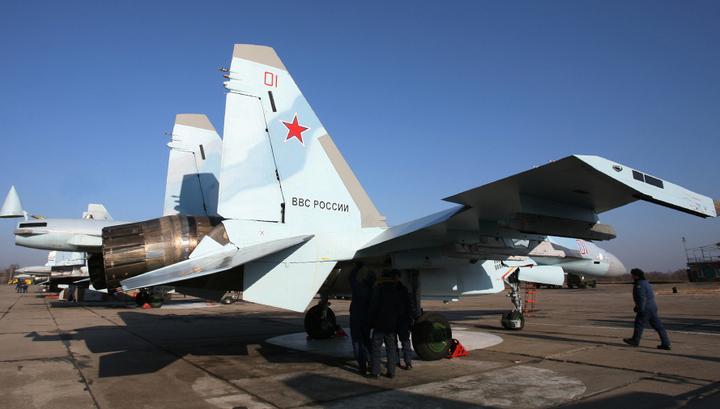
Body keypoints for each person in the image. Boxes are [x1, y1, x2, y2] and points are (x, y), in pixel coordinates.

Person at [623, 268, 671, 350]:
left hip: (646, 308)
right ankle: (666, 343)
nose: (632, 276)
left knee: (639, 324)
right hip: (652, 307)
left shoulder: (639, 285)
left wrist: (641, 309)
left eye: (633, 275)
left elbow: (642, 298)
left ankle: (635, 340)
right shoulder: (646, 283)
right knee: (659, 326)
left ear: (636, 276)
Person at [367, 269, 400, 379]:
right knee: (391, 347)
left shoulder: (379, 288)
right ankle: (391, 372)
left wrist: (370, 321)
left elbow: (374, 305)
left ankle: (375, 372)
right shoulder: (395, 289)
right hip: (392, 322)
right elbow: (399, 307)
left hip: (380, 322)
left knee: (376, 347)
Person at [348, 263, 375, 375]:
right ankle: (371, 361)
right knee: (367, 341)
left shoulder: (357, 286)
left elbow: (350, 277)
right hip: (366, 320)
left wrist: (357, 268)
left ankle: (362, 366)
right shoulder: (372, 292)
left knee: (357, 342)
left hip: (355, 318)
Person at [394, 270, 414, 370]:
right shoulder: (401, 289)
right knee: (393, 341)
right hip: (395, 318)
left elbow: (408, 304)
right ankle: (397, 360)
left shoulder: (402, 289)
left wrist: (409, 316)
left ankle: (407, 361)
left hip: (401, 318)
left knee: (404, 340)